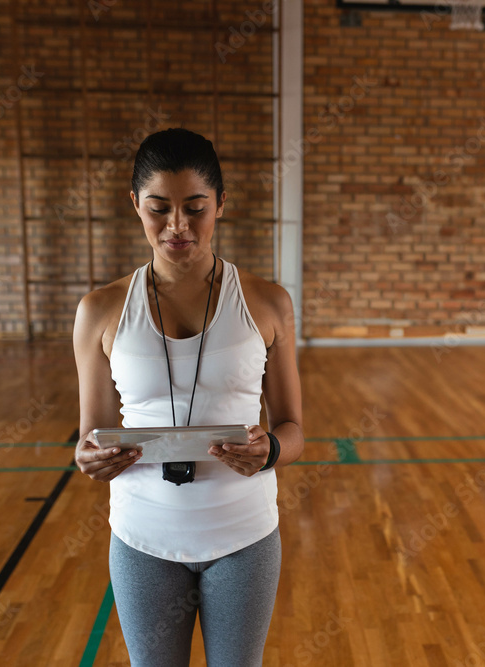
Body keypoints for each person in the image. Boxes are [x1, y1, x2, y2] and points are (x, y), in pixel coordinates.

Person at [72, 127, 303, 666]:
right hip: (142, 540)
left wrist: (268, 449)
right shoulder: (99, 311)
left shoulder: (267, 303)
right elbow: (91, 437)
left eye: (195, 207)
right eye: (159, 208)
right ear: (135, 205)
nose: (177, 225)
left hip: (243, 538)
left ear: (221, 204)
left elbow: (293, 430)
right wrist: (90, 458)